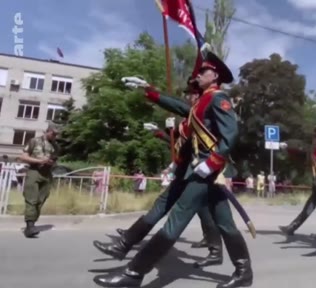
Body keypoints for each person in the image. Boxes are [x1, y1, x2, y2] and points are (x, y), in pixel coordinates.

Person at [94, 51, 253, 288]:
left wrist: (211, 163)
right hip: (192, 170)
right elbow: (179, 106)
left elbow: (230, 135)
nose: (197, 75)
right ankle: (244, 272)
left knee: (176, 219)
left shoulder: (219, 98)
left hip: (206, 171)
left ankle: (134, 273)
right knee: (224, 223)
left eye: (202, 71)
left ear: (215, 75)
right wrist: (149, 90)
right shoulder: (202, 101)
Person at [94, 77, 223, 270]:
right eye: (189, 93)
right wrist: (162, 133)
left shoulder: (205, 110)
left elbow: (179, 106)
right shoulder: (190, 119)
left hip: (204, 172)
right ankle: (123, 246)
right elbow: (179, 142)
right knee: (162, 207)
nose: (189, 96)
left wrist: (150, 90)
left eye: (192, 92)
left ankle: (226, 257)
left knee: (216, 218)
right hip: (185, 170)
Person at [18, 122, 60, 238]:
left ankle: (32, 224)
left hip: (47, 174)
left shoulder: (56, 146)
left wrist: (52, 162)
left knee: (41, 199)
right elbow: (23, 157)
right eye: (53, 133)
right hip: (34, 171)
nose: (54, 136)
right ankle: (30, 226)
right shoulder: (34, 141)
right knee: (31, 199)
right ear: (48, 131)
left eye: (56, 135)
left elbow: (55, 160)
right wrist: (39, 161)